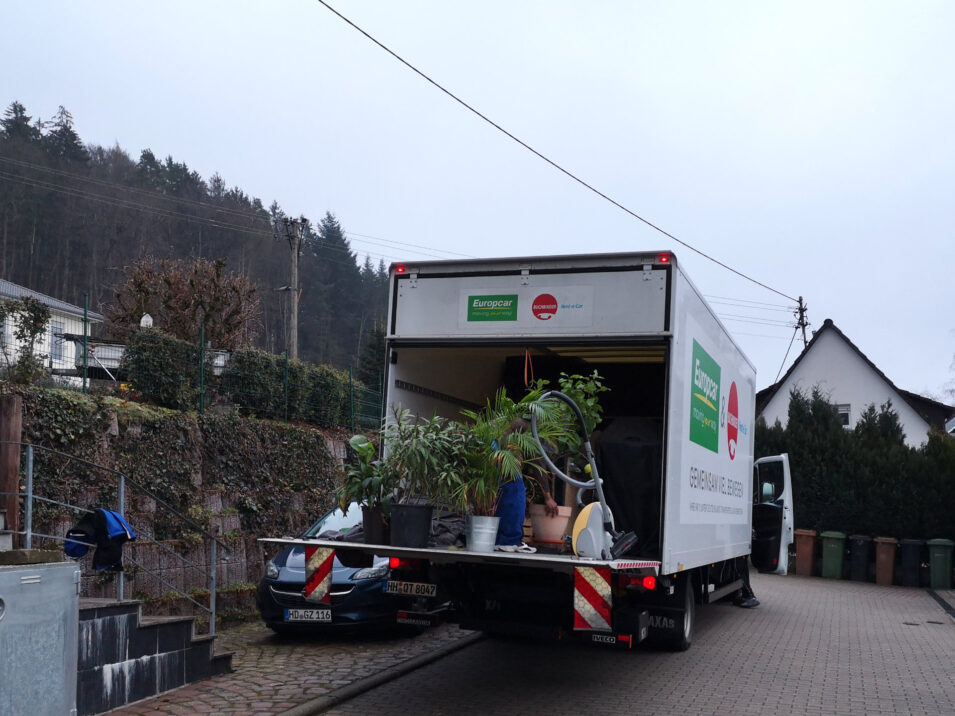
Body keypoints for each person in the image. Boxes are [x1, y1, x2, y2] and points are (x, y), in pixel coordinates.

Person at [493, 418, 558, 553]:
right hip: (502, 452)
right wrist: (548, 497)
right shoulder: (535, 430)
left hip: (491, 447)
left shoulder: (519, 419)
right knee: (515, 491)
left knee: (502, 495)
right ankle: (509, 541)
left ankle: (498, 539)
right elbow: (538, 464)